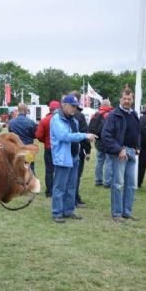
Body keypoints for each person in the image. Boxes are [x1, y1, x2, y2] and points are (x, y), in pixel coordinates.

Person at [50, 95, 96, 223]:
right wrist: (85, 135)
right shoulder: (57, 119)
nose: (74, 109)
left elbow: (75, 136)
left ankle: (68, 211)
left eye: (76, 106)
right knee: (60, 187)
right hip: (63, 158)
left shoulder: (74, 120)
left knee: (71, 186)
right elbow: (64, 136)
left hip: (74, 156)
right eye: (72, 106)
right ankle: (57, 213)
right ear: (63, 105)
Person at [101, 86, 141, 223]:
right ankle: (117, 213)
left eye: (129, 99)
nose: (127, 101)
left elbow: (138, 132)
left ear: (133, 99)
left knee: (130, 184)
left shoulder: (134, 114)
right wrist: (119, 149)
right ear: (120, 99)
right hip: (120, 152)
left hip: (132, 152)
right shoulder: (114, 115)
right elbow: (105, 135)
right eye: (125, 98)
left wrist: (138, 146)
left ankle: (127, 212)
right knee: (118, 184)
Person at [70, 91, 91, 208]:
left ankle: (72, 198)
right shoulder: (79, 115)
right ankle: (74, 198)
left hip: (66, 149)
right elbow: (85, 135)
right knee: (76, 175)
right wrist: (87, 151)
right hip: (77, 150)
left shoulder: (61, 114)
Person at [35, 100, 60, 197]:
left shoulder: (44, 120)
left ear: (50, 109)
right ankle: (58, 189)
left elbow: (39, 135)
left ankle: (49, 191)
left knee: (49, 170)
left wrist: (44, 141)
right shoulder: (62, 119)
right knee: (59, 169)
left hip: (49, 147)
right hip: (59, 148)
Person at [88, 99, 113, 188]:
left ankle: (98, 180)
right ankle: (107, 182)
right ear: (109, 105)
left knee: (99, 161)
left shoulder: (95, 114)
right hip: (108, 141)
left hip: (98, 140)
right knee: (109, 161)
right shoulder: (110, 115)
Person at [9, 103, 37, 171]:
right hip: (29, 149)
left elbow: (11, 134)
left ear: (18, 110)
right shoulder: (31, 122)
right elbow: (35, 135)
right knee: (30, 168)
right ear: (25, 111)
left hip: (16, 149)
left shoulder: (11, 122)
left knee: (16, 169)